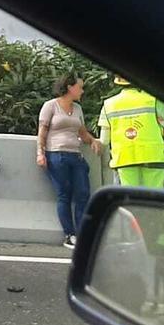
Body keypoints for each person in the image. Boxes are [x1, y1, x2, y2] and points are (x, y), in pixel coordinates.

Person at [37, 71, 102, 249]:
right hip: (56, 154)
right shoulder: (50, 106)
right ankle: (69, 234)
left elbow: (81, 131)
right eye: (80, 87)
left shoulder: (78, 109)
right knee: (64, 194)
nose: (82, 91)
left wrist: (92, 140)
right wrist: (40, 153)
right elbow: (42, 131)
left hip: (75, 154)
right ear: (69, 87)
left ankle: (81, 234)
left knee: (82, 193)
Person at [97, 76, 164, 188]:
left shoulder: (108, 104)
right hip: (153, 156)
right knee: (157, 200)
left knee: (128, 201)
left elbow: (104, 140)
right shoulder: (153, 100)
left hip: (124, 159)